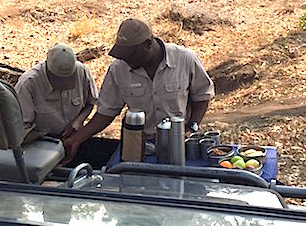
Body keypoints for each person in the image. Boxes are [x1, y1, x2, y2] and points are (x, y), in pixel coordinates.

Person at [62, 18, 214, 164]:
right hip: (140, 146)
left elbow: (202, 95)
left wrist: (192, 126)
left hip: (179, 144)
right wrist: (76, 140)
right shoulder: (118, 69)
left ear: (147, 44)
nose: (126, 60)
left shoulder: (184, 59)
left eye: (131, 55)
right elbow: (106, 112)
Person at [15, 43, 98, 141]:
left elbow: (90, 102)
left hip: (73, 136)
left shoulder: (82, 71)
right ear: (48, 71)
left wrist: (77, 122)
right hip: (41, 142)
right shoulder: (28, 84)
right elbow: (21, 131)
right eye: (60, 80)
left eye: (69, 78)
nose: (64, 84)